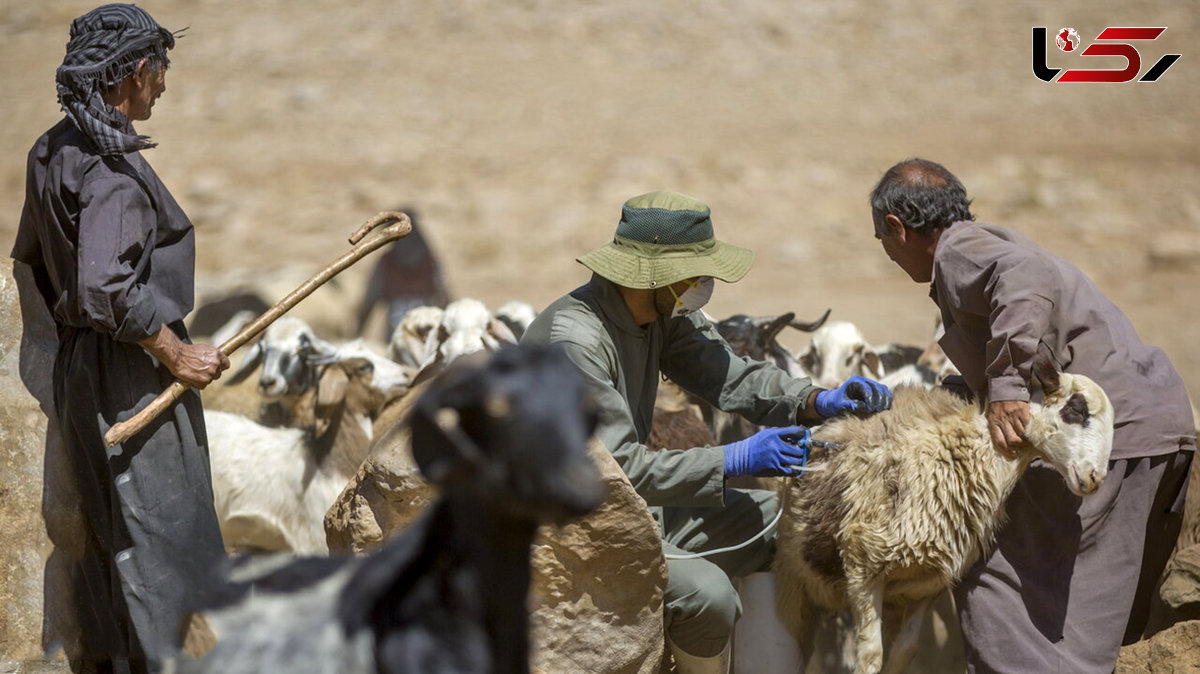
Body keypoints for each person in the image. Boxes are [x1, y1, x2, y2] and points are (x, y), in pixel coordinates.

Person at [521, 190, 892, 674]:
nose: (703, 286)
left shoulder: (658, 312)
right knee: (707, 594)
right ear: (655, 274)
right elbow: (618, 468)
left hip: (636, 508)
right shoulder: (576, 342)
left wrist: (815, 400)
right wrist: (735, 459)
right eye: (694, 275)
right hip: (571, 529)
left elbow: (731, 376)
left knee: (788, 527)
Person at [869, 158, 1196, 673]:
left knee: (997, 586)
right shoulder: (989, 243)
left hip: (1092, 435)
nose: (887, 254)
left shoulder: (959, 251)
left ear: (897, 227)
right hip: (1150, 427)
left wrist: (1004, 385)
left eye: (881, 241)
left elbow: (1024, 278)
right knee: (1082, 615)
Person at [11, 5, 229, 671]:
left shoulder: (51, 149)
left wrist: (69, 359)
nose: (163, 85)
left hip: (84, 367)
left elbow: (34, 262)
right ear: (136, 72)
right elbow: (107, 286)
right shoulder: (109, 167)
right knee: (163, 545)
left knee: (113, 541)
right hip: (130, 371)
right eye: (160, 72)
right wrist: (174, 352)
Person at [354, 206, 451, 340]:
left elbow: (369, 300)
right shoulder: (428, 260)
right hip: (427, 330)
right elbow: (444, 295)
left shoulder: (386, 263)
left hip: (397, 329)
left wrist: (357, 333)